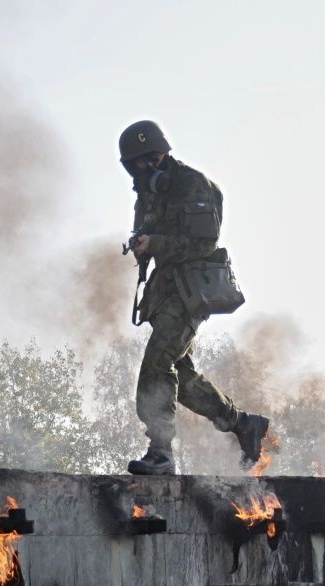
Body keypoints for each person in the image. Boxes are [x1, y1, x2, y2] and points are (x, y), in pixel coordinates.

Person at [119, 119, 271, 475]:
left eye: (141, 164)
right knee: (183, 379)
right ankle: (242, 424)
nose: (138, 173)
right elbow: (148, 232)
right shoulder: (148, 194)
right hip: (166, 290)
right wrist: (143, 246)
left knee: (157, 363)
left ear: (157, 156)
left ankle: (160, 452)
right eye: (133, 167)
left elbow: (204, 243)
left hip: (191, 290)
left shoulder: (192, 185)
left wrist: (156, 243)